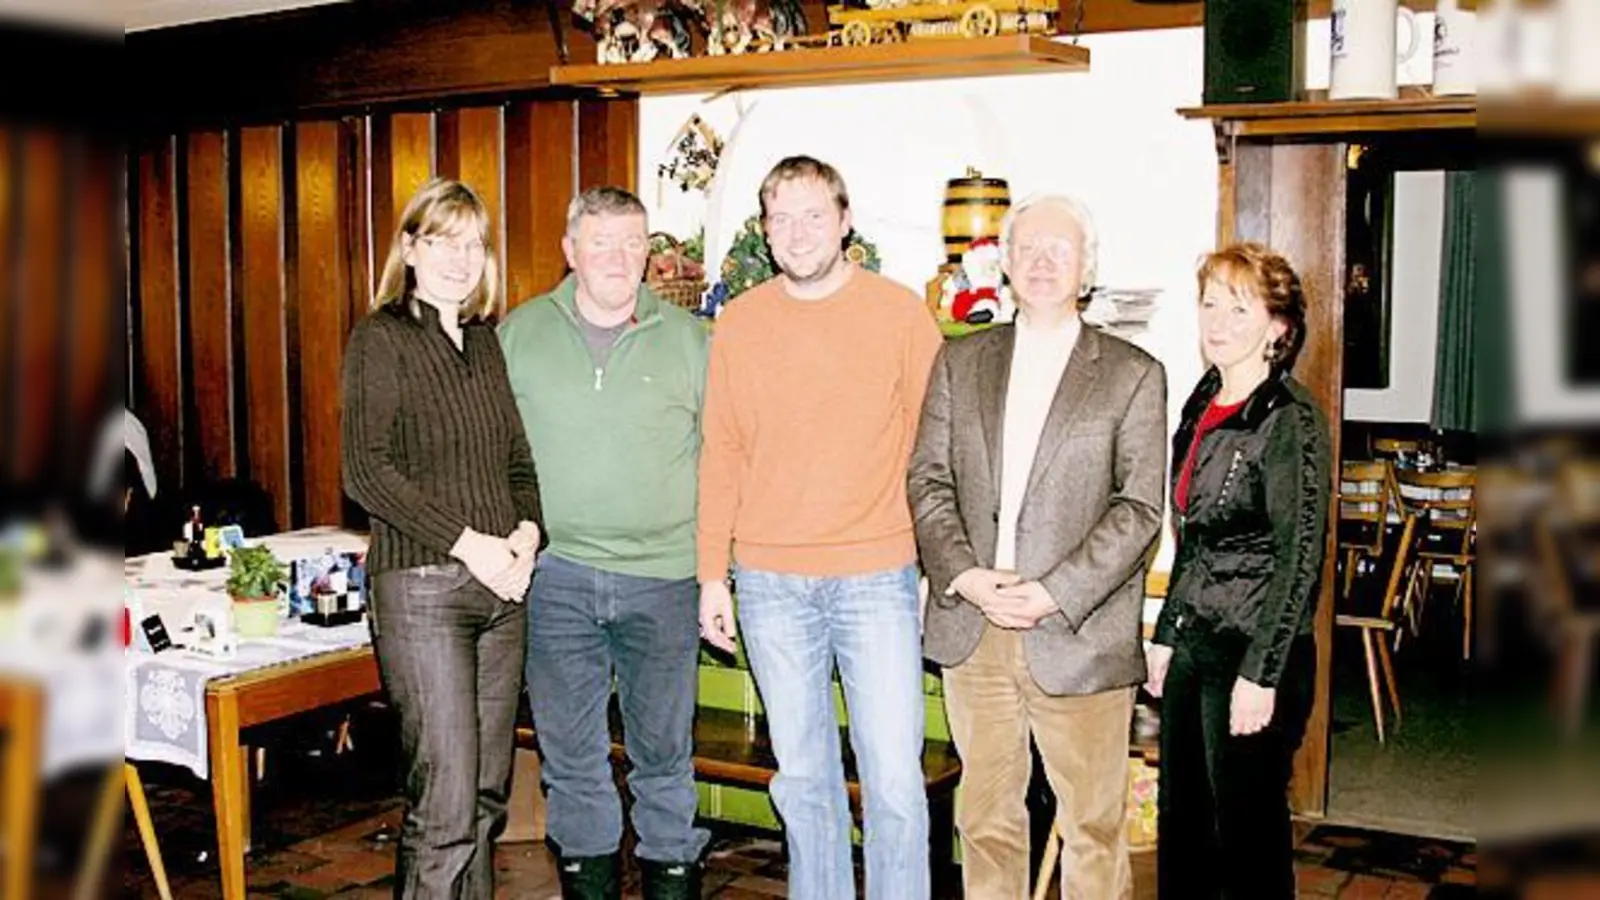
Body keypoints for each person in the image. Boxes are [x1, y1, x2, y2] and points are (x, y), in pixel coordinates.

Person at [697, 155, 944, 899]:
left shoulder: (900, 313)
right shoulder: (739, 323)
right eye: (781, 217)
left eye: (814, 214)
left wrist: (935, 569)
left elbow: (934, 451)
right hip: (770, 585)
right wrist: (713, 574)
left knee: (896, 783)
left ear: (845, 221)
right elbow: (723, 452)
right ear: (765, 233)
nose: (798, 232)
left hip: (879, 578)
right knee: (803, 782)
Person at [908, 193, 1167, 899]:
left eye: (1062, 249)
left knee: (1092, 828)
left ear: (1088, 268)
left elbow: (1140, 508)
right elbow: (928, 480)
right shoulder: (961, 363)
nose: (1044, 261)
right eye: (1029, 248)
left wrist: (1052, 591)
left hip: (1076, 632)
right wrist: (964, 574)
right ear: (1006, 265)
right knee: (987, 822)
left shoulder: (1133, 373)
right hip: (975, 628)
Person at [498, 186, 710, 899]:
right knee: (573, 760)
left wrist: (718, 570)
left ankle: (671, 878)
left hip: (666, 578)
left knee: (664, 757)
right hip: (556, 579)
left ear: (648, 252)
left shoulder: (692, 341)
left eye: (632, 242)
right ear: (570, 252)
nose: (619, 258)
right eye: (601, 242)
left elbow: (726, 457)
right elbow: (491, 455)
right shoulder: (519, 335)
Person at [340, 176, 546, 900]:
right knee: (446, 808)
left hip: (502, 593)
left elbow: (518, 461)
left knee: (487, 801)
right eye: (441, 241)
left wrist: (525, 534)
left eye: (473, 244)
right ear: (409, 249)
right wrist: (471, 544)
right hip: (424, 592)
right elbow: (366, 470)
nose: (460, 259)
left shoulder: (486, 342)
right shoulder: (382, 338)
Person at [1145, 242, 1331, 899]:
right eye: (1209, 303)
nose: (1217, 321)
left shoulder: (1290, 419)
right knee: (1184, 826)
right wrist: (1167, 634)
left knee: (1247, 836)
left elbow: (1301, 554)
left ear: (1278, 328)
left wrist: (1262, 672)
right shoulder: (1204, 401)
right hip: (1198, 637)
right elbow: (1192, 535)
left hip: (1256, 647)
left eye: (1239, 307)